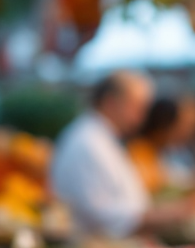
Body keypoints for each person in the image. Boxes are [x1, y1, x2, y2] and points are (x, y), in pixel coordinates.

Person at [50, 71, 184, 238]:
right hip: (94, 247)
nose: (141, 117)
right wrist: (174, 213)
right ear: (111, 102)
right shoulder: (88, 141)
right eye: (137, 107)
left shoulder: (101, 136)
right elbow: (102, 215)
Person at [127, 96, 195, 194]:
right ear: (164, 125)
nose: (187, 132)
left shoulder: (165, 150)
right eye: (182, 125)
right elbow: (152, 192)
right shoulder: (138, 150)